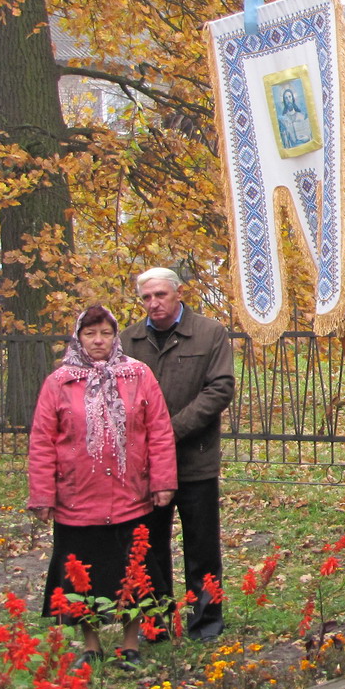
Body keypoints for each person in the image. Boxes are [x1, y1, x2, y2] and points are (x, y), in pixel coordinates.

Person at [29, 306, 177, 671]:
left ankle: (130, 644)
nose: (98, 341)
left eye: (106, 333)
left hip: (129, 495)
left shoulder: (138, 375)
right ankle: (91, 645)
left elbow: (158, 430)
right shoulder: (59, 381)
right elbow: (43, 441)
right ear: (78, 337)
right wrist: (43, 495)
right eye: (90, 333)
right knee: (82, 574)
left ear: (116, 337)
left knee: (133, 571)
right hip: (76, 499)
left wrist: (162, 481)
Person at [120, 268, 234, 642]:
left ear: (178, 293)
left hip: (195, 460)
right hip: (146, 466)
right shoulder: (128, 340)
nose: (153, 303)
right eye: (146, 297)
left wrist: (169, 432)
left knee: (202, 546)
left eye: (160, 295)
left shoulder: (209, 333)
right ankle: (154, 623)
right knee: (148, 547)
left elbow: (220, 389)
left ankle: (206, 622)